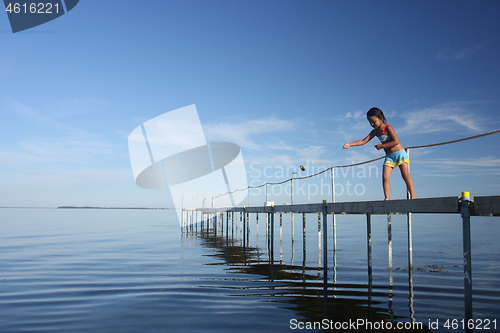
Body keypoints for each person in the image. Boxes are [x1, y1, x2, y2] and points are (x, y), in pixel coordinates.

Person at [343, 107, 415, 200]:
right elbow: (363, 141)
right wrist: (349, 144)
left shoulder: (388, 127)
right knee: (385, 176)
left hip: (399, 154)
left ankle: (413, 196)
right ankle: (387, 198)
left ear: (381, 118)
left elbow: (396, 141)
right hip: (390, 157)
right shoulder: (375, 132)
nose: (372, 124)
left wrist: (382, 146)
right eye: (370, 122)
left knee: (405, 175)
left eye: (374, 121)